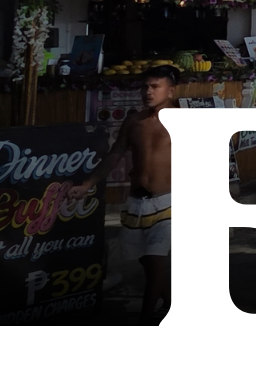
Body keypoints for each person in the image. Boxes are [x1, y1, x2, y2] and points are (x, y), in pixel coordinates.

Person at [71, 65, 179, 324]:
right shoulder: (134, 121)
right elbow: (116, 154)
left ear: (171, 90)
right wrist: (88, 184)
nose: (148, 92)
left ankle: (145, 321)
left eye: (155, 86)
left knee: (155, 263)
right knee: (145, 261)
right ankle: (172, 303)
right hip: (136, 204)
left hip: (170, 202)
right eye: (145, 87)